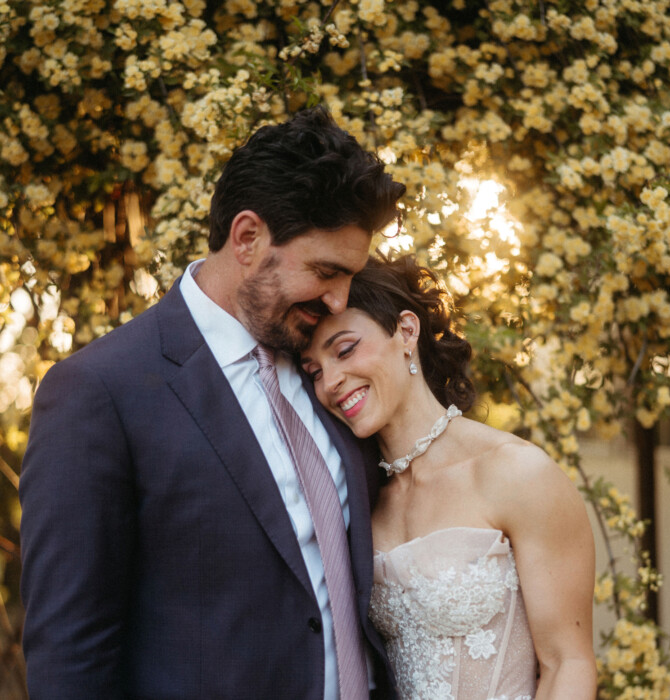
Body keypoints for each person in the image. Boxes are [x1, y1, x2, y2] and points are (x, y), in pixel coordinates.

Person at [20, 107, 406, 699]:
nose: (338, 300)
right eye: (325, 271)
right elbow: (71, 651)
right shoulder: (98, 392)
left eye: (350, 276)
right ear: (248, 238)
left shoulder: (333, 371)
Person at [301, 255, 598, 700]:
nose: (332, 382)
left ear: (406, 331)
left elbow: (567, 665)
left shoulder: (515, 472)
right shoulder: (359, 498)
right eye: (314, 372)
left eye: (344, 350)